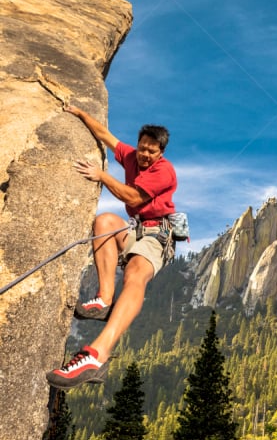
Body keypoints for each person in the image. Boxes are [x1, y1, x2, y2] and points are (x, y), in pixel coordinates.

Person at [46, 106, 178, 389]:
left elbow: (132, 195)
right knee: (105, 221)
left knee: (135, 274)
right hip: (136, 230)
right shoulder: (131, 156)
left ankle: (97, 354)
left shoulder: (164, 172)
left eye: (151, 152)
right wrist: (81, 112)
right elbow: (105, 135)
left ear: (160, 154)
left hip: (158, 235)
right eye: (142, 148)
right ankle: (104, 298)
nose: (144, 155)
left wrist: (102, 175)